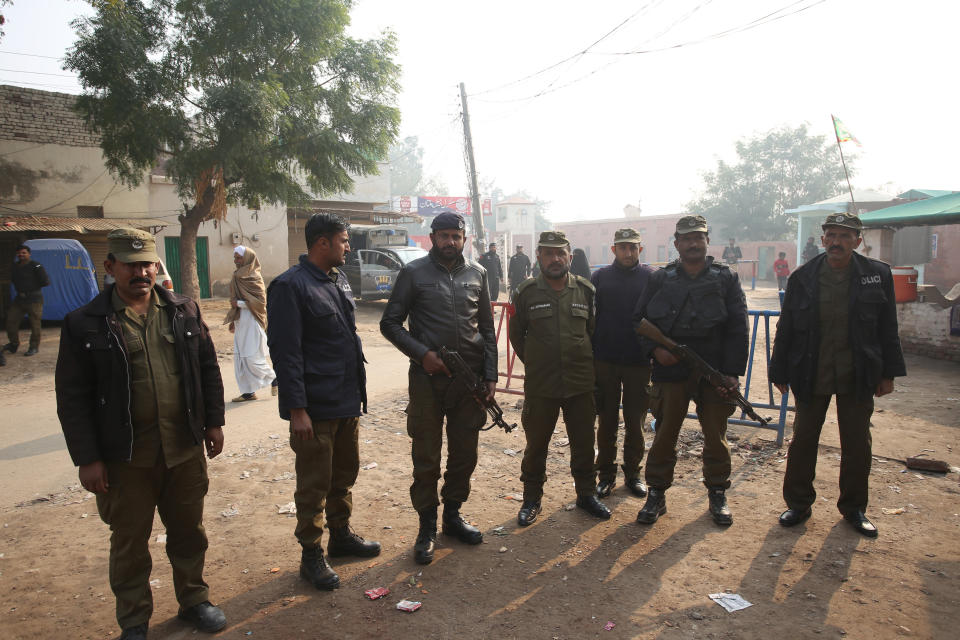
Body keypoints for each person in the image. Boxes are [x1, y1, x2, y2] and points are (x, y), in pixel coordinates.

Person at [55, 228, 227, 640]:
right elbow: (72, 397)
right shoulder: (85, 324)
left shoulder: (183, 310)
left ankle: (194, 600)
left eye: (148, 263)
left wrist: (214, 421)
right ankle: (134, 619)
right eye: (131, 265)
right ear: (110, 266)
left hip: (183, 449)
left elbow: (208, 369)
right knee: (130, 543)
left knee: (189, 531)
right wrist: (88, 458)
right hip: (124, 458)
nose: (142, 272)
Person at [770, 213, 906, 538]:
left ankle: (854, 508)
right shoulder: (803, 277)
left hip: (857, 373)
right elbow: (786, 327)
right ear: (822, 240)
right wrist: (779, 370)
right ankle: (798, 504)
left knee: (857, 443)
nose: (836, 242)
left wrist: (889, 373)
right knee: (803, 441)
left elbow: (888, 327)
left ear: (858, 241)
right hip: (810, 372)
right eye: (831, 235)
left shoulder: (877, 274)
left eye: (845, 236)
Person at [267, 213, 380, 591]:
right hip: (315, 408)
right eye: (344, 240)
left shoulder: (338, 279)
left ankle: (341, 536)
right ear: (322, 243)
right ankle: (311, 555)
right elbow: (286, 353)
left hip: (347, 399)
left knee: (344, 475)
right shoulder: (289, 287)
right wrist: (297, 410)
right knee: (314, 484)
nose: (348, 246)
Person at [380, 211, 497, 564]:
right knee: (426, 457)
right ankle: (427, 526)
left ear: (465, 239)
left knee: (465, 454)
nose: (450, 241)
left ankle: (453, 516)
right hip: (428, 381)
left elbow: (489, 330)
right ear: (432, 237)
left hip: (470, 383)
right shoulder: (413, 273)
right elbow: (391, 324)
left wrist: (490, 375)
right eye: (443, 235)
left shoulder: (478, 273)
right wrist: (422, 355)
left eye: (456, 236)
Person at [633, 215, 748, 527]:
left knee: (715, 436)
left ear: (708, 241)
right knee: (664, 434)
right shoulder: (661, 279)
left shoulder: (725, 278)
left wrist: (732, 373)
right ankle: (656, 493)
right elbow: (638, 321)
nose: (693, 243)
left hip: (713, 371)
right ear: (677, 244)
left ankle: (717, 492)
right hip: (671, 373)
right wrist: (656, 351)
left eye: (699, 237)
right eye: (687, 238)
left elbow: (738, 327)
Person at [509, 230, 611, 526]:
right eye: (549, 253)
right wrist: (540, 360)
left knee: (582, 441)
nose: (555, 259)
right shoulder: (526, 292)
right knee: (536, 443)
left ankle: (586, 494)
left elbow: (591, 331)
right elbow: (517, 336)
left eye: (560, 253)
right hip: (542, 384)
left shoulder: (585, 290)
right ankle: (531, 498)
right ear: (539, 256)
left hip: (580, 382)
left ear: (570, 256)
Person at [591, 228, 655, 500]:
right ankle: (605, 475)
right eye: (622, 247)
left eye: (632, 247)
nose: (628, 252)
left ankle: (633, 473)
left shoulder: (652, 278)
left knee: (635, 420)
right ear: (613, 249)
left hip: (639, 363)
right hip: (605, 360)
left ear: (640, 249)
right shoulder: (600, 277)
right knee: (606, 420)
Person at [224, 245, 277, 402]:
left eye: (239, 257)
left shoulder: (254, 276)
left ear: (247, 258)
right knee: (240, 359)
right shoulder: (236, 275)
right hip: (241, 322)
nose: (236, 260)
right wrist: (234, 319)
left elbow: (260, 303)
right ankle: (248, 392)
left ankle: (274, 378)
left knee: (251, 358)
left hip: (252, 321)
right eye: (235, 257)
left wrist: (238, 304)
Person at [3, 244, 50, 359]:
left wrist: (31, 288)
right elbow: (13, 280)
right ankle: (14, 344)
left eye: (24, 253)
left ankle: (33, 347)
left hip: (34, 299)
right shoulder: (15, 266)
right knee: (10, 321)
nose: (21, 255)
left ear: (29, 254)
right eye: (19, 253)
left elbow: (45, 281)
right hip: (19, 299)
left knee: (35, 324)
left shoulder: (36, 266)